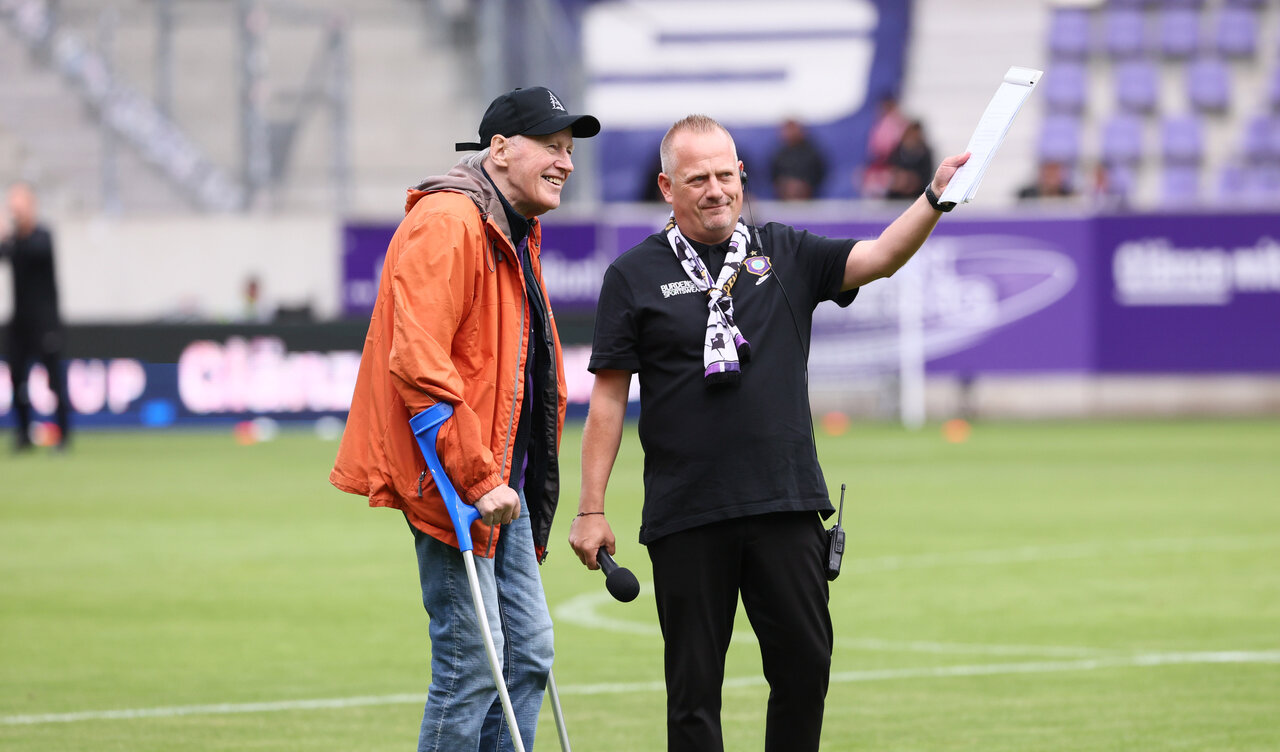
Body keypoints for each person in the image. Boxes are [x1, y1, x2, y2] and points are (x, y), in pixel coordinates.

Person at [568, 114, 967, 752]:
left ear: (742, 178)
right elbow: (609, 399)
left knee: (805, 668)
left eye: (726, 174)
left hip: (786, 505)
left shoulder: (785, 251)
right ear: (667, 187)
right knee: (693, 694)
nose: (716, 189)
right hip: (687, 513)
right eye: (697, 178)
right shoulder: (632, 275)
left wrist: (934, 197)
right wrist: (591, 507)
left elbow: (881, 257)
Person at [329, 86, 599, 751]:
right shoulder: (450, 222)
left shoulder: (512, 227)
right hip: (457, 480)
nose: (566, 162)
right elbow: (419, 363)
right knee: (473, 664)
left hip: (498, 478)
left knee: (528, 653)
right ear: (501, 150)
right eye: (551, 147)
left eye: (570, 150)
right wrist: (478, 478)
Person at [1, 182, 70, 452]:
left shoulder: (42, 237)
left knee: (54, 380)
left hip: (45, 322)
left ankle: (63, 435)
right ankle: (23, 435)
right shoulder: (14, 242)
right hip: (19, 322)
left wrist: (11, 235)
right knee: (17, 378)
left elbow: (32, 252)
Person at [769, 118, 828, 200]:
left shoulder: (812, 153)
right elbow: (773, 177)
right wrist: (785, 186)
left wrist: (803, 186)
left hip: (809, 199)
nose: (790, 132)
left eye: (793, 128)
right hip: (782, 200)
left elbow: (819, 174)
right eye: (787, 129)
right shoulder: (778, 154)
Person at [885, 120, 935, 200]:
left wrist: (912, 181)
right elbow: (892, 171)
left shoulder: (925, 153)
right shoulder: (897, 151)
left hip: (917, 195)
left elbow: (927, 177)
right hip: (897, 196)